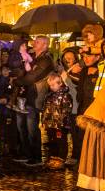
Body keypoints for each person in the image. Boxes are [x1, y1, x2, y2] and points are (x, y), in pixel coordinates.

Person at [14, 35, 54, 166]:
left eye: (37, 42)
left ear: (45, 45)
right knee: (22, 126)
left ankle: (36, 156)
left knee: (32, 127)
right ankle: (26, 153)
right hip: (25, 95)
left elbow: (32, 77)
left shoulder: (45, 60)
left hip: (35, 95)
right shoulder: (32, 57)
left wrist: (16, 81)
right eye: (34, 41)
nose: (34, 43)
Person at [68, 49, 101, 165]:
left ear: (98, 57)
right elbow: (70, 73)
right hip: (83, 107)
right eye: (83, 56)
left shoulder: (101, 71)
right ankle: (80, 159)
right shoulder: (84, 70)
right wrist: (80, 63)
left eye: (88, 56)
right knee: (80, 135)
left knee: (94, 138)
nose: (85, 58)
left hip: (95, 108)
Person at [41, 72, 73, 169]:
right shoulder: (49, 96)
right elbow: (45, 109)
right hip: (50, 124)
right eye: (50, 85)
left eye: (53, 85)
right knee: (52, 141)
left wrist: (61, 122)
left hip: (60, 125)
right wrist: (44, 120)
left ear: (60, 83)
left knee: (61, 142)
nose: (51, 87)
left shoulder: (66, 96)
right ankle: (53, 158)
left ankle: (61, 159)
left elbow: (66, 110)